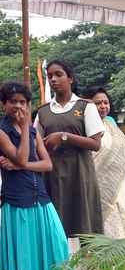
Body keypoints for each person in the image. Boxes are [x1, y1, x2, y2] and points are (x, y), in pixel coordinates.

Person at [0, 81, 73, 270]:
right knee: (25, 251)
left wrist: (21, 166)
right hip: (17, 200)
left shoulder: (33, 132)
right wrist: (24, 129)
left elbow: (47, 164)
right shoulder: (3, 132)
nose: (18, 106)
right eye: (13, 101)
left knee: (56, 242)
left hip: (40, 197)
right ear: (4, 104)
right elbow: (22, 156)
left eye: (23, 102)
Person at [34, 60, 104, 240]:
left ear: (70, 78)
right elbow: (36, 143)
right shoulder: (43, 112)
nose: (53, 79)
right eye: (50, 76)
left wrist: (64, 136)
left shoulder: (85, 106)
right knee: (55, 227)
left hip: (80, 174)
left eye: (58, 74)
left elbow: (95, 144)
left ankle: (88, 259)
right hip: (52, 176)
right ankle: (60, 258)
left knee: (84, 224)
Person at [88, 87, 125, 238]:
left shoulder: (110, 123)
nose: (103, 106)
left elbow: (121, 144)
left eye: (106, 102)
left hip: (118, 182)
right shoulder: (85, 125)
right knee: (105, 224)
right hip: (98, 183)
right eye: (98, 103)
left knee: (123, 218)